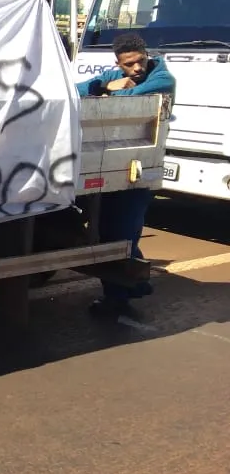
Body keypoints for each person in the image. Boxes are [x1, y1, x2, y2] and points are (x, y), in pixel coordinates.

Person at [75, 33, 176, 317]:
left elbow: (133, 97)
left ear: (147, 55)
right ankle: (132, 285)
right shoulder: (113, 74)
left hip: (139, 170)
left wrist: (108, 91)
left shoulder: (163, 78)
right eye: (129, 64)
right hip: (111, 165)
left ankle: (121, 294)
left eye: (139, 61)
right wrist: (104, 84)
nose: (136, 69)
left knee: (123, 234)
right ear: (118, 63)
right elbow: (78, 89)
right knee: (106, 233)